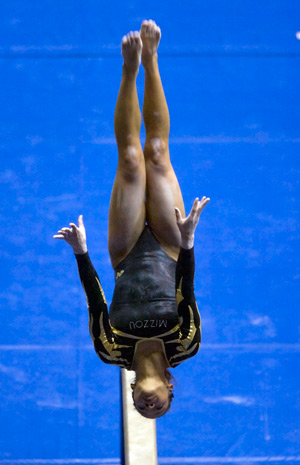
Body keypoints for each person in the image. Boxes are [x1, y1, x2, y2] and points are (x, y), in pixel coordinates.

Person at [54, 20, 210, 419]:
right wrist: (188, 239)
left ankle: (129, 68)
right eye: (158, 407)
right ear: (170, 386)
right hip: (171, 246)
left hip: (123, 254)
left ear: (133, 391)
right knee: (156, 153)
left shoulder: (111, 349)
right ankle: (152, 60)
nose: (147, 406)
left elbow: (95, 300)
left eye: (141, 407)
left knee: (129, 160)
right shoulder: (186, 343)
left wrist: (81, 252)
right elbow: (185, 290)